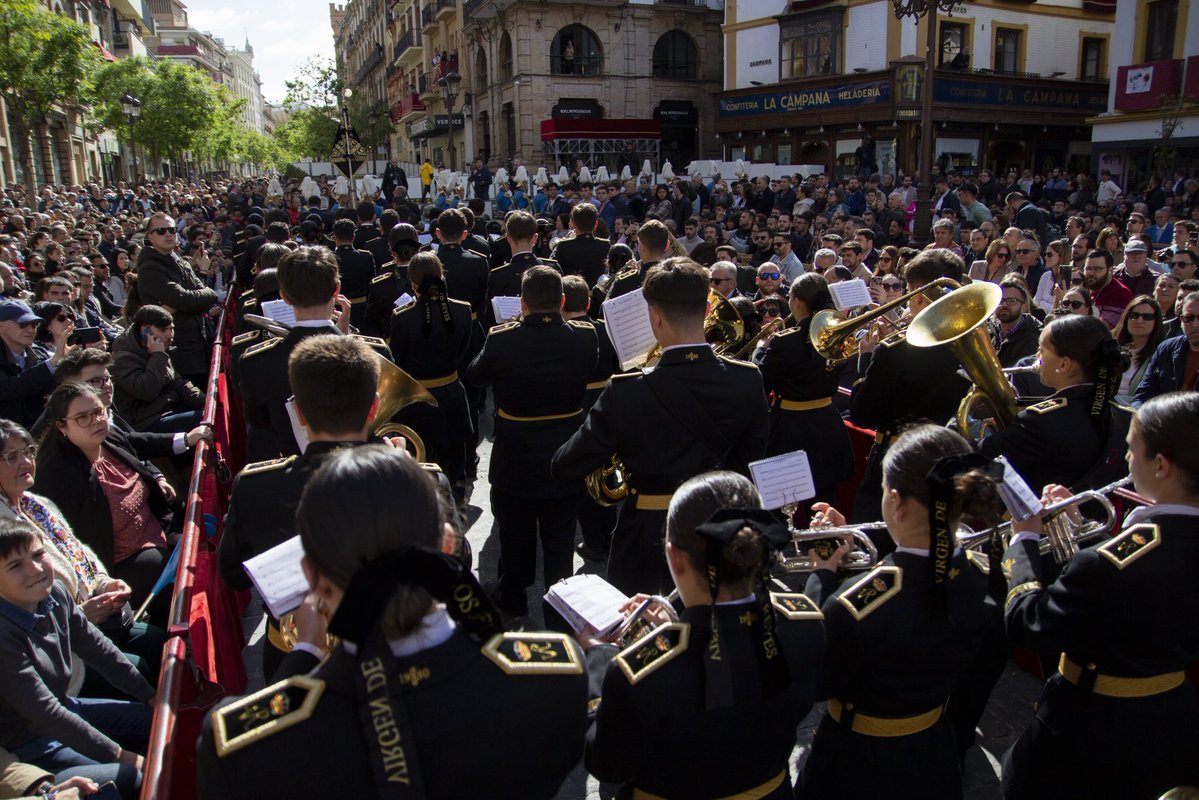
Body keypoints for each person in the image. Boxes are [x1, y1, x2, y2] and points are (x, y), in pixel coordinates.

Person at [197, 446, 588, 799]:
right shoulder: (553, 678)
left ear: (311, 578)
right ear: (449, 547)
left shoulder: (239, 746)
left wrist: (303, 653)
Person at [1001, 392, 1199, 799]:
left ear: (1161, 465)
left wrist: (1023, 541)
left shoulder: (1106, 564)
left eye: (1132, 450)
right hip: (1173, 721)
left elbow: (1029, 622)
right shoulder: (1115, 558)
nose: (1127, 460)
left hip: (1090, 731)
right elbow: (1139, 590)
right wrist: (1079, 542)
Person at [582, 471, 825, 798]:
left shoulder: (635, 673)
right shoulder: (806, 622)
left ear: (674, 556)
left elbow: (607, 764)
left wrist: (600, 660)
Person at [795, 425, 998, 799]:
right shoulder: (982, 573)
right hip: (932, 749)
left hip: (858, 763)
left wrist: (822, 575)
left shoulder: (856, 606)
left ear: (896, 501)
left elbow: (819, 679)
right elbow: (915, 582)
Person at [553, 258, 769, 595]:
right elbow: (749, 463)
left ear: (654, 316)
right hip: (720, 529)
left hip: (646, 534)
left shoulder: (626, 389)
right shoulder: (748, 379)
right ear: (707, 306)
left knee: (641, 632)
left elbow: (565, 465)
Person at [466, 266, 596, 618]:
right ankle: (560, 608)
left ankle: (513, 597)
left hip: (515, 457)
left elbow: (475, 377)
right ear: (563, 301)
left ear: (522, 303)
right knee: (560, 538)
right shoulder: (585, 337)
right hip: (564, 455)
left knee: (515, 533)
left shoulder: (503, 338)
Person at [0, 519, 150, 800]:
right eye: (15, 565)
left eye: (37, 555)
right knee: (131, 778)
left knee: (158, 721)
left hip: (68, 708)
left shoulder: (55, 593)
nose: (34, 570)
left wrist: (151, 696)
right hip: (31, 745)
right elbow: (44, 715)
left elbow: (98, 648)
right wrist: (122, 756)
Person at [850, 251, 971, 524]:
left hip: (898, 460)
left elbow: (862, 414)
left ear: (917, 292)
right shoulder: (971, 343)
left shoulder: (895, 350)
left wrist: (866, 359)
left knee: (876, 534)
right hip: (948, 461)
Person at [31, 383, 174, 612]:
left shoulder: (110, 437)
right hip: (120, 563)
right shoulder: (59, 477)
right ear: (62, 426)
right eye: (82, 418)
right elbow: (68, 543)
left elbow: (145, 468)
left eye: (98, 411)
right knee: (174, 572)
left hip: (158, 534)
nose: (96, 420)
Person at [238, 246, 391, 460]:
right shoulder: (376, 351)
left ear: (285, 297)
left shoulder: (256, 361)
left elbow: (260, 424)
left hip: (291, 477)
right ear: (336, 290)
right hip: (364, 473)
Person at [980, 314, 1132, 493]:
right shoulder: (1127, 417)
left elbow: (981, 462)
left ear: (1064, 364)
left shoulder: (1038, 421)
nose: (1036, 356)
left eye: (1041, 351)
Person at [759, 275, 853, 506]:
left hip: (790, 429)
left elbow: (761, 386)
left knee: (781, 504)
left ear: (798, 302)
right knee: (823, 503)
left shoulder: (784, 341)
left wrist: (761, 350)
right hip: (828, 425)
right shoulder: (838, 335)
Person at [387, 253, 475, 499]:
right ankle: (456, 509)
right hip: (452, 393)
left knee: (420, 462)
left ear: (412, 283)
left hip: (417, 400)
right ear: (442, 276)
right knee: (455, 462)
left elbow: (398, 360)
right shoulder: (462, 310)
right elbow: (463, 350)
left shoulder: (403, 317)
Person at [135, 213, 217, 389]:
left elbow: (197, 298)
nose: (168, 234)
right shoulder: (150, 268)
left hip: (198, 346)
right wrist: (202, 295)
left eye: (172, 229)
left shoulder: (179, 260)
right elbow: (189, 300)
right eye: (161, 231)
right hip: (179, 353)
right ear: (150, 236)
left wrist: (201, 277)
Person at [110, 306, 203, 434]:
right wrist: (158, 356)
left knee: (211, 414)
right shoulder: (123, 358)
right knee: (202, 420)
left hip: (168, 410)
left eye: (171, 329)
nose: (170, 335)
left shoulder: (159, 350)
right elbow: (147, 391)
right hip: (144, 423)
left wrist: (205, 400)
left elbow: (177, 382)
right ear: (145, 331)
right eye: (163, 330)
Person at [0, 300, 71, 428]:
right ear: (1, 327)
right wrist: (53, 361)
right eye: (23, 324)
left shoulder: (39, 353)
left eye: (34, 324)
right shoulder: (47, 360)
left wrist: (70, 362)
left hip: (38, 432)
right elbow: (9, 388)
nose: (30, 330)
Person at [483, 212, 560, 328]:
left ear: (508, 238)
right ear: (535, 238)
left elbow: (490, 319)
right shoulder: (552, 268)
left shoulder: (497, 275)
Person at [1134, 290, 1199, 402]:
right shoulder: (1167, 349)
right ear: (1181, 320)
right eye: (1188, 318)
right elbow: (1144, 394)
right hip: (1164, 416)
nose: (1195, 324)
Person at [365, 223, 421, 339]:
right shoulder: (431, 279)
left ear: (391, 250)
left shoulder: (379, 285)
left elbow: (372, 325)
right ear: (418, 249)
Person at [1112, 296, 1165, 405]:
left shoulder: (1161, 354)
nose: (1139, 320)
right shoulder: (1109, 345)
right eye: (1134, 315)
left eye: (1147, 317)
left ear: (1156, 321)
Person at [329, 219, 375, 332]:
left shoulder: (329, 258)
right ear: (353, 237)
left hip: (336, 308)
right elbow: (372, 284)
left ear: (335, 237)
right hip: (361, 309)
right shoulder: (366, 256)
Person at [988, 276, 1043, 368]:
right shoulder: (988, 330)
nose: (1004, 305)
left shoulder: (1034, 338)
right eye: (1001, 300)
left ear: (1023, 307)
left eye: (1011, 301)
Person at [552, 203, 611, 287]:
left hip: (571, 292)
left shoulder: (564, 245)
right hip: (598, 295)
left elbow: (554, 269)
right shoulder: (605, 245)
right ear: (596, 224)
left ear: (574, 224)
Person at [1083, 248, 1133, 328]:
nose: (1091, 273)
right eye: (1088, 268)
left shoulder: (1120, 293)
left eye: (1097, 269)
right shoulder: (1087, 289)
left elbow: (1103, 328)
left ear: (1110, 270)